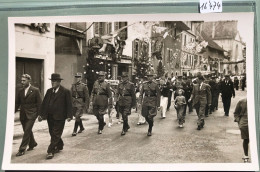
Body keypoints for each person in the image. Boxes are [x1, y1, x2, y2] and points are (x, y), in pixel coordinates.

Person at [38, 73, 72, 159]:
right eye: (52, 81)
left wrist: (69, 115)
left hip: (60, 116)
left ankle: (50, 151)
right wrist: (41, 115)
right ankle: (60, 145)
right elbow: (45, 104)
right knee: (52, 132)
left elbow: (69, 104)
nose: (52, 83)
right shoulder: (49, 91)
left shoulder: (65, 91)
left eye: (54, 81)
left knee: (56, 134)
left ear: (59, 82)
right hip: (50, 117)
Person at [15, 74, 42, 156]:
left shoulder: (35, 90)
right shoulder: (20, 90)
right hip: (23, 114)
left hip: (32, 114)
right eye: (21, 80)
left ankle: (22, 149)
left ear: (29, 81)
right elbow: (17, 103)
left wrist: (40, 114)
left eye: (24, 80)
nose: (22, 82)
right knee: (27, 130)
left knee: (26, 131)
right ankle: (32, 143)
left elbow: (39, 103)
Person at [139, 71, 161, 136]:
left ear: (153, 77)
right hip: (145, 100)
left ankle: (150, 129)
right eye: (148, 77)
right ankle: (151, 123)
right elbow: (141, 94)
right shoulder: (144, 84)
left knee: (150, 116)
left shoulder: (155, 84)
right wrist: (140, 102)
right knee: (145, 115)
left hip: (153, 101)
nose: (149, 78)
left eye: (150, 76)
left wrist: (158, 105)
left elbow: (158, 95)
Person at [234, 98, 249, 163]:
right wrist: (239, 121)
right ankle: (246, 155)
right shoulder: (242, 101)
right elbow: (236, 113)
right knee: (246, 139)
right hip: (244, 121)